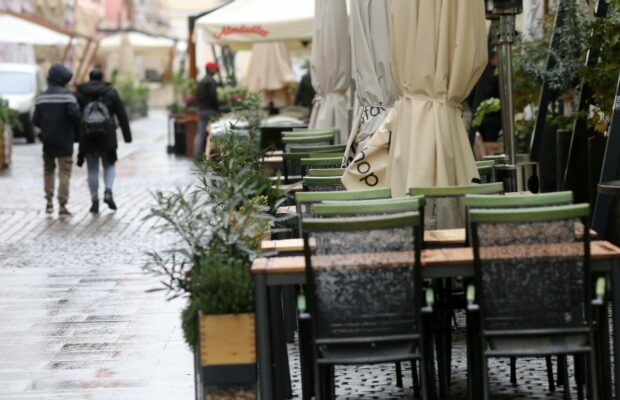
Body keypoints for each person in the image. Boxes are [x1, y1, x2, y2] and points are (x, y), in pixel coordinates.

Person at [75, 69, 132, 214]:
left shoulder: (80, 93)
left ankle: (94, 199)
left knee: (92, 169)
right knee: (109, 165)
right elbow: (121, 115)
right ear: (102, 78)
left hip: (87, 136)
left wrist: (75, 136)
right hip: (107, 135)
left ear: (90, 78)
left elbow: (75, 116)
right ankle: (108, 191)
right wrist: (127, 136)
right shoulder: (111, 92)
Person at [33, 64, 81, 216]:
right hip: (65, 140)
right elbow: (76, 116)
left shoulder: (42, 97)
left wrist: (46, 127)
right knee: (64, 172)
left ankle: (48, 202)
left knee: (48, 170)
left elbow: (35, 119)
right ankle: (62, 205)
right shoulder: (68, 96)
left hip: (48, 140)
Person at [193, 62, 220, 157]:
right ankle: (214, 155)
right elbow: (213, 97)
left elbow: (197, 97)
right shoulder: (211, 81)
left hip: (201, 110)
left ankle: (196, 155)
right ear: (210, 69)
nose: (216, 71)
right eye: (215, 69)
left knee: (200, 134)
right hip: (211, 111)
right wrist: (218, 109)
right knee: (215, 133)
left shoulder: (201, 81)